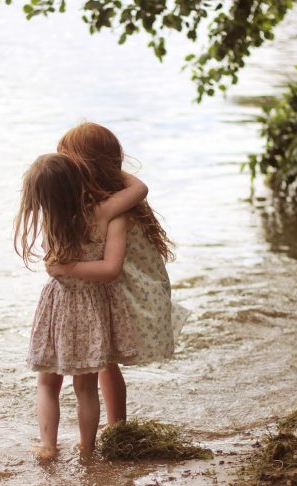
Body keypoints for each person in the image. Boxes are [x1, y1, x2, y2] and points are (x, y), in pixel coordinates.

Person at [47, 121, 189, 425]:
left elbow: (141, 187)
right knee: (107, 364)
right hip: (122, 284)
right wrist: (106, 167)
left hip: (128, 287)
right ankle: (117, 427)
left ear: (87, 166)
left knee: (107, 364)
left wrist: (64, 267)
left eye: (71, 162)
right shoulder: (111, 196)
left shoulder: (111, 205)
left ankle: (117, 426)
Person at [14, 153, 147, 459]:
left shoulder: (51, 219)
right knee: (85, 388)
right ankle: (87, 449)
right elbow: (139, 189)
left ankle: (48, 446)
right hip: (90, 308)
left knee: (47, 383)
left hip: (58, 307)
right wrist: (105, 167)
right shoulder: (104, 215)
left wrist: (64, 270)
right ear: (80, 181)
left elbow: (58, 268)